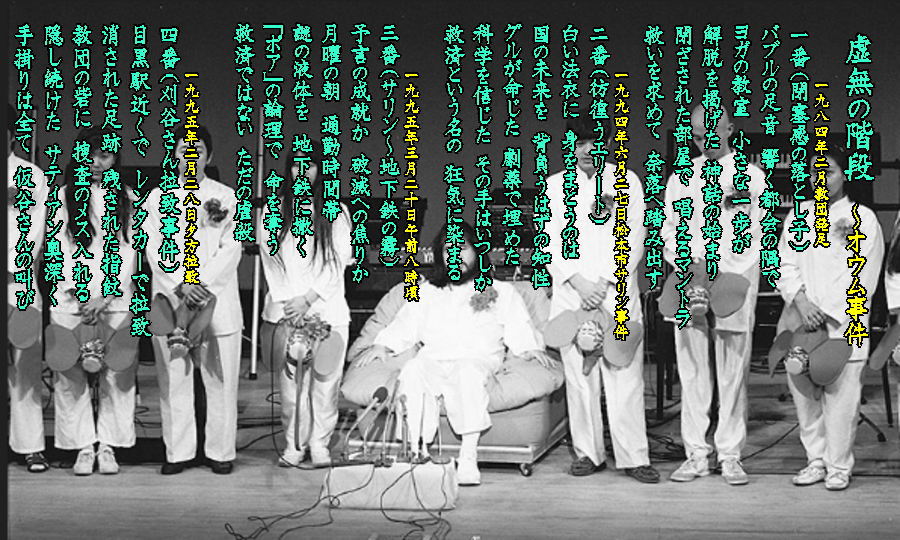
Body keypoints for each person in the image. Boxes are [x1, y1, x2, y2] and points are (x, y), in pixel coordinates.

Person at [356, 222, 553, 486]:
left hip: (477, 359)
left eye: (462, 248)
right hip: (433, 359)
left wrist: (530, 349)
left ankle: (468, 457)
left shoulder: (501, 291)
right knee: (412, 370)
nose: (455, 256)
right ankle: (416, 452)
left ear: (477, 252)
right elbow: (405, 324)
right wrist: (382, 346)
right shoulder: (425, 291)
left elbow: (519, 326)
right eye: (449, 250)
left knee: (467, 373)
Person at [544, 113, 659, 483]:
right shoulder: (554, 186)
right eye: (579, 143)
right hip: (572, 292)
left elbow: (636, 236)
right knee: (580, 377)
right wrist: (579, 282)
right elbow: (550, 241)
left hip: (616, 290)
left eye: (594, 142)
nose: (586, 150)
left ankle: (634, 456)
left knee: (624, 373)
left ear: (608, 143)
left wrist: (606, 281)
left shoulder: (627, 181)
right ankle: (588, 453)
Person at [661, 104, 766, 485]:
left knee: (733, 370)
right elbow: (670, 230)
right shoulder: (680, 178)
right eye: (698, 136)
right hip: (690, 278)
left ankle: (730, 454)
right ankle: (696, 454)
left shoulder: (750, 177)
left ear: (730, 128)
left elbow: (754, 232)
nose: (706, 141)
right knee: (691, 371)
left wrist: (720, 271)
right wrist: (692, 269)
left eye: (713, 132)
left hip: (734, 277)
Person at [777, 144, 884, 491]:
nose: (820, 178)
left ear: (845, 174)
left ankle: (838, 465)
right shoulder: (799, 215)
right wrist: (801, 301)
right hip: (802, 320)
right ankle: (815, 460)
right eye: (814, 172)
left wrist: (829, 313)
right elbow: (785, 264)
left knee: (842, 400)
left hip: (844, 323)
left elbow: (864, 275)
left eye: (829, 171)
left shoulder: (863, 218)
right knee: (805, 396)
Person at [145, 125, 243, 475]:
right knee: (174, 377)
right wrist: (182, 284)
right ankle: (178, 452)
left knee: (221, 378)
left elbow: (232, 246)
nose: (190, 157)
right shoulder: (157, 197)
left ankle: (220, 451)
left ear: (208, 156)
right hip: (174, 298)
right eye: (184, 150)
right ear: (174, 155)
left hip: (218, 297)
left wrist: (203, 284)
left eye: (197, 150)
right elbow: (154, 247)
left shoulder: (226, 196)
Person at [258, 138, 353, 468]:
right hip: (287, 312)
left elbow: (338, 260)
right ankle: (294, 444)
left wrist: (309, 299)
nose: (302, 171)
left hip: (326, 310)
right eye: (296, 164)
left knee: (325, 384)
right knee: (291, 387)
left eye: (309, 165)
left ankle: (320, 444)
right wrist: (290, 303)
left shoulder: (336, 210)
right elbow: (269, 259)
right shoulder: (274, 209)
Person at [51, 127, 139, 475]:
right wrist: (81, 290)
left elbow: (130, 249)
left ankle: (108, 446)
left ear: (115, 158)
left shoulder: (127, 197)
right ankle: (82, 446)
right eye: (89, 156)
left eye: (104, 156)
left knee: (117, 373)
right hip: (71, 297)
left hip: (113, 299)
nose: (96, 163)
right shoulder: (63, 196)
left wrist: (108, 293)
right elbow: (59, 247)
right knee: (70, 373)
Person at [7, 104, 49, 472]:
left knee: (25, 366)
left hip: (16, 281)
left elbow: (33, 232)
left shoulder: (30, 175)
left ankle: (31, 445)